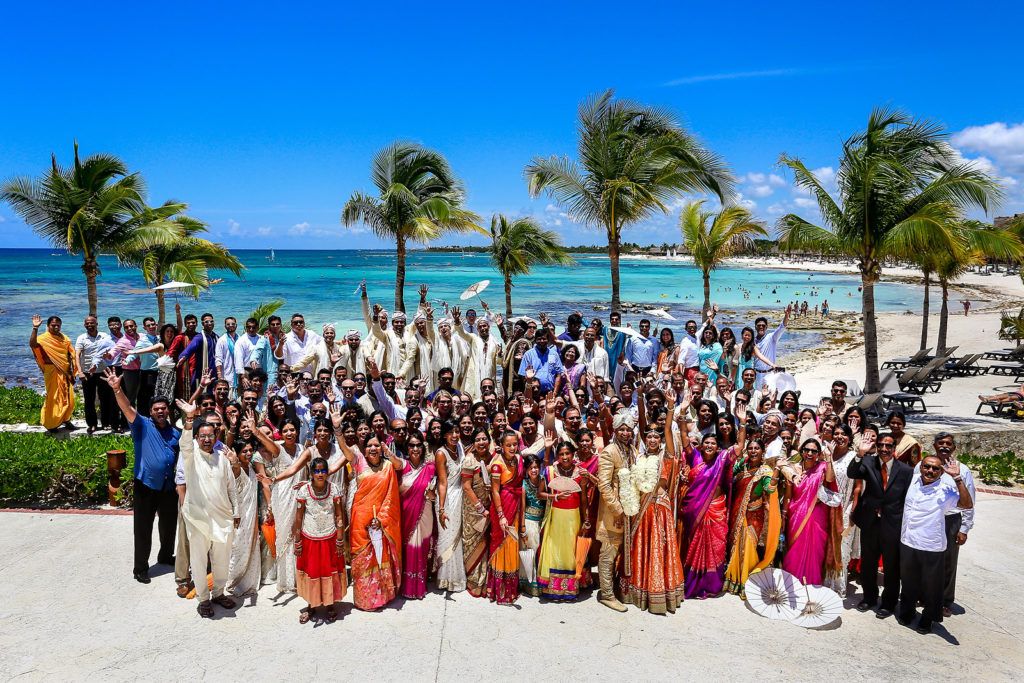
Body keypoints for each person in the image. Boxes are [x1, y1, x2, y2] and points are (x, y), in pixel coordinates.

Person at [101, 369, 178, 583]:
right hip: (145, 485)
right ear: (151, 411)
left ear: (167, 410)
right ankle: (141, 568)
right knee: (143, 529)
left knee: (169, 525)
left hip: (168, 486)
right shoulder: (141, 424)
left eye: (163, 408)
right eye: (156, 409)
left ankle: (165, 556)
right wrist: (117, 389)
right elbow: (126, 407)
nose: (160, 411)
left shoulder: (175, 432)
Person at [619, 394, 685, 613]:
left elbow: (668, 432)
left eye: (657, 436)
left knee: (656, 550)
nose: (654, 439)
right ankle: (636, 591)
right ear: (645, 439)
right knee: (640, 549)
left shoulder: (667, 456)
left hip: (658, 509)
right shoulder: (639, 457)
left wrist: (671, 407)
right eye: (650, 437)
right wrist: (639, 400)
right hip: (640, 511)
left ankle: (658, 593)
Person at [175, 399, 240, 618]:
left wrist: (236, 513)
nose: (206, 439)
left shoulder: (222, 458)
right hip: (198, 518)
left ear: (215, 437)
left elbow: (232, 488)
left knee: (222, 559)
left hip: (222, 518)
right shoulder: (191, 456)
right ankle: (203, 598)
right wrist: (190, 418)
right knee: (199, 561)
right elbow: (185, 443)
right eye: (202, 436)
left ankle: (219, 593)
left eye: (210, 436)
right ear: (197, 438)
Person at [678, 394, 747, 599]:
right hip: (694, 511)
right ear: (701, 445)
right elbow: (683, 437)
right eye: (706, 443)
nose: (709, 446)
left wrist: (742, 422)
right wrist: (682, 411)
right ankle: (692, 581)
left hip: (716, 509)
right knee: (694, 546)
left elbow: (740, 447)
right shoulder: (694, 456)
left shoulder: (723, 459)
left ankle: (712, 583)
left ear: (717, 448)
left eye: (712, 444)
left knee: (715, 548)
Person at [898, 454, 973, 634]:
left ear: (941, 472)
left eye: (935, 469)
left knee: (932, 586)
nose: (930, 471)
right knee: (908, 582)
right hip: (908, 540)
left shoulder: (946, 489)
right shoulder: (913, 481)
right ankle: (907, 612)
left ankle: (928, 618)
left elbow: (967, 504)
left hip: (931, 544)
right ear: (921, 467)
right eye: (927, 467)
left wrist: (957, 478)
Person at [331, 432, 403, 610]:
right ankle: (365, 599)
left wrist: (381, 519)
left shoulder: (387, 466)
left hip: (381, 519)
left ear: (381, 448)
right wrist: (338, 430)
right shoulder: (359, 461)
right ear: (364, 448)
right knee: (362, 557)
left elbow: (391, 495)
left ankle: (383, 596)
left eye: (376, 445)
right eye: (369, 445)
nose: (373, 448)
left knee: (381, 556)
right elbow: (345, 450)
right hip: (360, 520)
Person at [847, 431, 913, 617]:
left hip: (893, 525)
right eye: (881, 445)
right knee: (868, 564)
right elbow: (852, 472)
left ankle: (889, 603)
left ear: (894, 448)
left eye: (888, 446)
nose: (884, 449)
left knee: (892, 567)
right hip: (870, 523)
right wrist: (860, 454)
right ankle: (869, 598)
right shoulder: (868, 462)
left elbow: (908, 499)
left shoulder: (906, 471)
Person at [723, 437, 782, 597]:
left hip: (753, 514)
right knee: (736, 544)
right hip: (737, 511)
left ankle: (745, 582)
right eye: (751, 448)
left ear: (762, 452)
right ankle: (732, 579)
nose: (753, 451)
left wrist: (776, 470)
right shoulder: (742, 466)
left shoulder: (765, 472)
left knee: (747, 546)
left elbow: (770, 489)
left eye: (757, 448)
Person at [782, 438, 842, 586]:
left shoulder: (822, 467)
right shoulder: (793, 469)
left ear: (818, 453)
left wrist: (828, 458)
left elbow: (830, 478)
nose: (810, 453)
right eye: (807, 450)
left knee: (815, 553)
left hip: (817, 517)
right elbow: (788, 495)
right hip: (796, 516)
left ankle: (812, 586)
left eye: (814, 451)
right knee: (794, 553)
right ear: (802, 451)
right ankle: (792, 586)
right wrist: (784, 515)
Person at [293, 456, 346, 623]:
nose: (320, 473)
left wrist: (339, 539)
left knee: (329, 571)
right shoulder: (304, 491)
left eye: (323, 470)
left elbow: (339, 514)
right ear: (311, 473)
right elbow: (299, 518)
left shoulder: (334, 489)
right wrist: (298, 541)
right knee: (312, 571)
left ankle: (330, 604)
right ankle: (312, 605)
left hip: (330, 538)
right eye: (316, 470)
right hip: (310, 538)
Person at [929, 433, 976, 618]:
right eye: (941, 443)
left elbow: (969, 500)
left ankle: (945, 600)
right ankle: (925, 595)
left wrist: (964, 528)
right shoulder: (925, 465)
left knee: (948, 563)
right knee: (927, 558)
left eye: (948, 444)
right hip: (930, 518)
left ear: (954, 448)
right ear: (934, 446)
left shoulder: (962, 470)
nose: (944, 446)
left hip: (951, 520)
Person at [536, 439, 588, 600]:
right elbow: (540, 493)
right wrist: (555, 496)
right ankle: (554, 587)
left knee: (571, 550)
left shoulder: (581, 472)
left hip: (573, 517)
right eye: (561, 454)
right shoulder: (550, 471)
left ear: (573, 454)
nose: (565, 457)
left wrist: (586, 519)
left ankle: (571, 586)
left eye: (568, 453)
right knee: (556, 550)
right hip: (556, 517)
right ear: (557, 456)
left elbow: (584, 499)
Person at [595, 412, 636, 612]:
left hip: (628, 511)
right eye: (622, 429)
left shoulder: (630, 449)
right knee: (608, 552)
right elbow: (603, 485)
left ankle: (614, 589)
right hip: (613, 513)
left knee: (619, 551)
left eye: (628, 429)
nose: (626, 432)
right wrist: (618, 510)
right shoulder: (610, 451)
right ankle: (607, 595)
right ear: (615, 430)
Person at [486, 430, 524, 604]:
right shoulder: (497, 465)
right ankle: (499, 590)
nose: (512, 447)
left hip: (515, 507)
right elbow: (495, 490)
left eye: (514, 444)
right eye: (508, 445)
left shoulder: (519, 460)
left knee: (512, 545)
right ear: (501, 446)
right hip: (502, 508)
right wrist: (501, 515)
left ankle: (511, 589)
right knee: (501, 545)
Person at [397, 432, 436, 599]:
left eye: (418, 445)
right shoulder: (402, 466)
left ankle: (419, 586)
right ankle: (406, 586)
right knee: (409, 548)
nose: (415, 448)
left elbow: (438, 492)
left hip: (425, 512)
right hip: (406, 514)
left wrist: (433, 496)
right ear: (407, 448)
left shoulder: (431, 467)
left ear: (423, 447)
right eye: (411, 445)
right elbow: (393, 460)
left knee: (421, 548)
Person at [434, 419, 467, 592]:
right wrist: (441, 509)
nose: (454, 435)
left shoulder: (459, 448)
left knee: (458, 538)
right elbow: (442, 483)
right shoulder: (441, 453)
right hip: (447, 499)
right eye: (451, 432)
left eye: (457, 431)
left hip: (460, 496)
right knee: (446, 538)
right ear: (444, 435)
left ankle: (457, 577)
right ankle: (446, 579)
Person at [29, 315, 78, 432]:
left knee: (69, 399)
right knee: (54, 397)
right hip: (51, 371)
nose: (56, 327)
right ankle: (51, 424)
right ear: (48, 326)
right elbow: (33, 344)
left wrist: (74, 369)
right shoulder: (43, 338)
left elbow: (71, 353)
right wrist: (35, 328)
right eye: (53, 325)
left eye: (58, 325)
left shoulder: (64, 338)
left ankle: (66, 420)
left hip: (65, 372)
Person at [226, 439, 261, 598]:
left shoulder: (252, 468)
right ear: (238, 454)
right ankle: (232, 582)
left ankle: (248, 582)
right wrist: (233, 462)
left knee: (250, 548)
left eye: (249, 450)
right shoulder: (237, 468)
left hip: (251, 515)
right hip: (239, 517)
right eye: (244, 451)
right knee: (237, 550)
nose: (248, 453)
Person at [461, 428, 493, 597]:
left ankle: (486, 582)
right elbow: (466, 487)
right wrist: (481, 508)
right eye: (478, 440)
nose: (481, 443)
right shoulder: (469, 461)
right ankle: (474, 582)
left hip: (490, 506)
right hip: (473, 510)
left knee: (487, 544)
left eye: (484, 439)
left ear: (489, 440)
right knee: (473, 544)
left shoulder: (494, 458)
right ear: (473, 444)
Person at [76, 315, 116, 433]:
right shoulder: (82, 338)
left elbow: (111, 351)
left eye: (92, 323)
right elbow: (77, 356)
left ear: (96, 324)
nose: (90, 325)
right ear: (84, 325)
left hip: (103, 371)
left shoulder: (105, 336)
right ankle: (92, 424)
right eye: (87, 323)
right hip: (88, 373)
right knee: (89, 399)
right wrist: (80, 372)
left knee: (105, 399)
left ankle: (105, 423)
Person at [752, 305, 791, 385]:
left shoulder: (772, 337)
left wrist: (786, 315)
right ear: (755, 327)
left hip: (769, 374)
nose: (761, 327)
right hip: (756, 375)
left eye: (763, 326)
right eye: (759, 326)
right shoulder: (753, 341)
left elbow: (782, 327)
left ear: (766, 327)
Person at [518, 328, 564, 395]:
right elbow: (523, 375)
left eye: (544, 339)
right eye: (539, 339)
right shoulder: (528, 354)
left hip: (550, 392)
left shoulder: (554, 354)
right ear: (535, 340)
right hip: (533, 392)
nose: (542, 341)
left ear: (548, 340)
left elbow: (558, 374)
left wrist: (555, 392)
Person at [214, 317, 239, 395]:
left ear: (236, 325)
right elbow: (218, 358)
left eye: (233, 324)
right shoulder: (222, 340)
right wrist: (219, 375)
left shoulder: (240, 339)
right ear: (225, 326)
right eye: (228, 324)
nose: (230, 325)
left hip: (239, 375)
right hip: (227, 374)